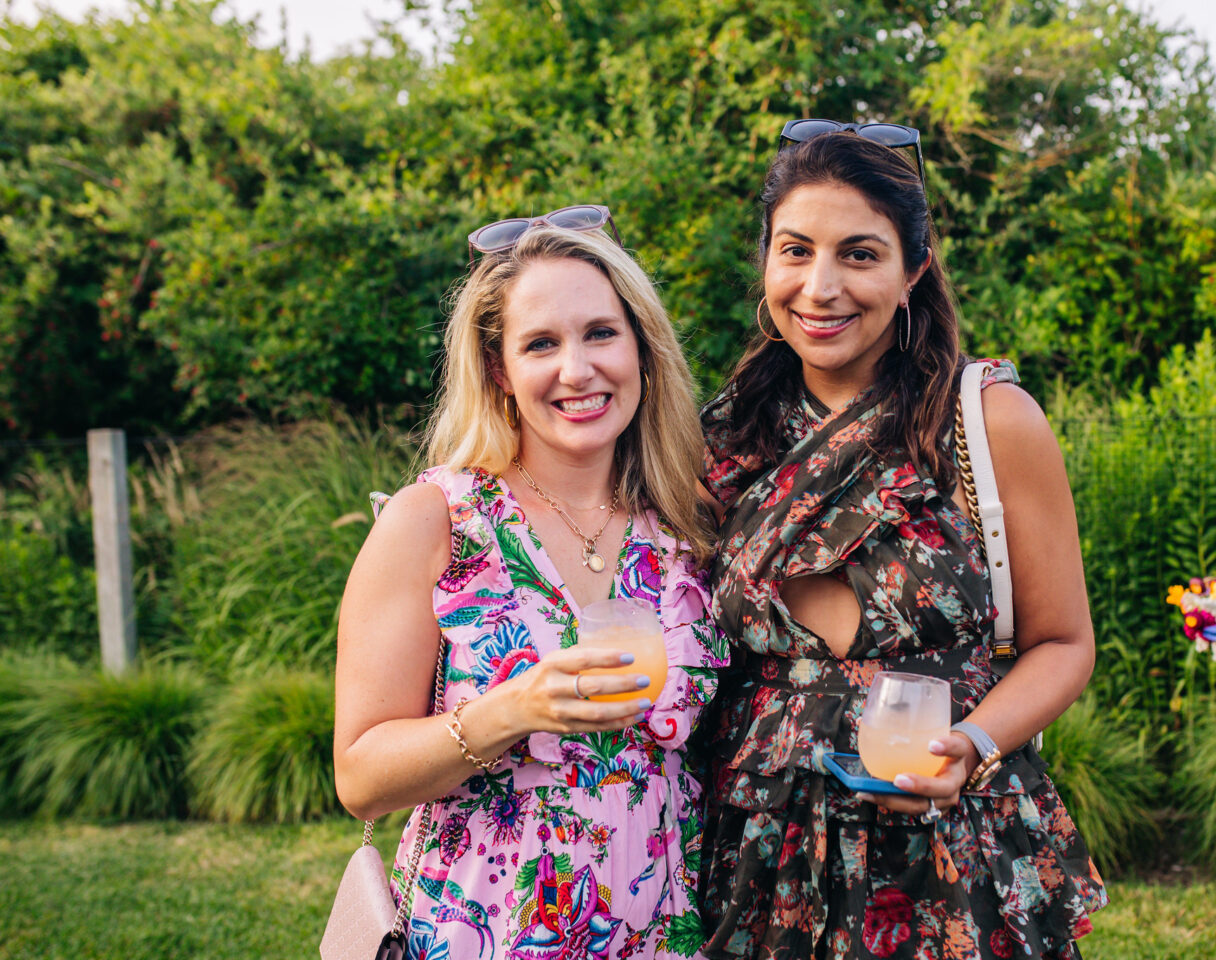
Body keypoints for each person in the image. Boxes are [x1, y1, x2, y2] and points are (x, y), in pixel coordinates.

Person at [698, 129, 1108, 959]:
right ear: (766, 262)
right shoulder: (724, 436)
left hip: (951, 844)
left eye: (859, 254)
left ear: (912, 269)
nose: (820, 287)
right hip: (761, 846)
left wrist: (974, 744)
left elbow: (1064, 643)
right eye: (795, 251)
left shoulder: (987, 422)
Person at [335, 214, 727, 960]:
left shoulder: (687, 523)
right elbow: (360, 777)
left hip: (662, 937)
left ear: (642, 349)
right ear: (498, 371)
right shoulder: (436, 520)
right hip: (484, 933)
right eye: (541, 344)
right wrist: (513, 709)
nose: (577, 369)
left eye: (601, 334)